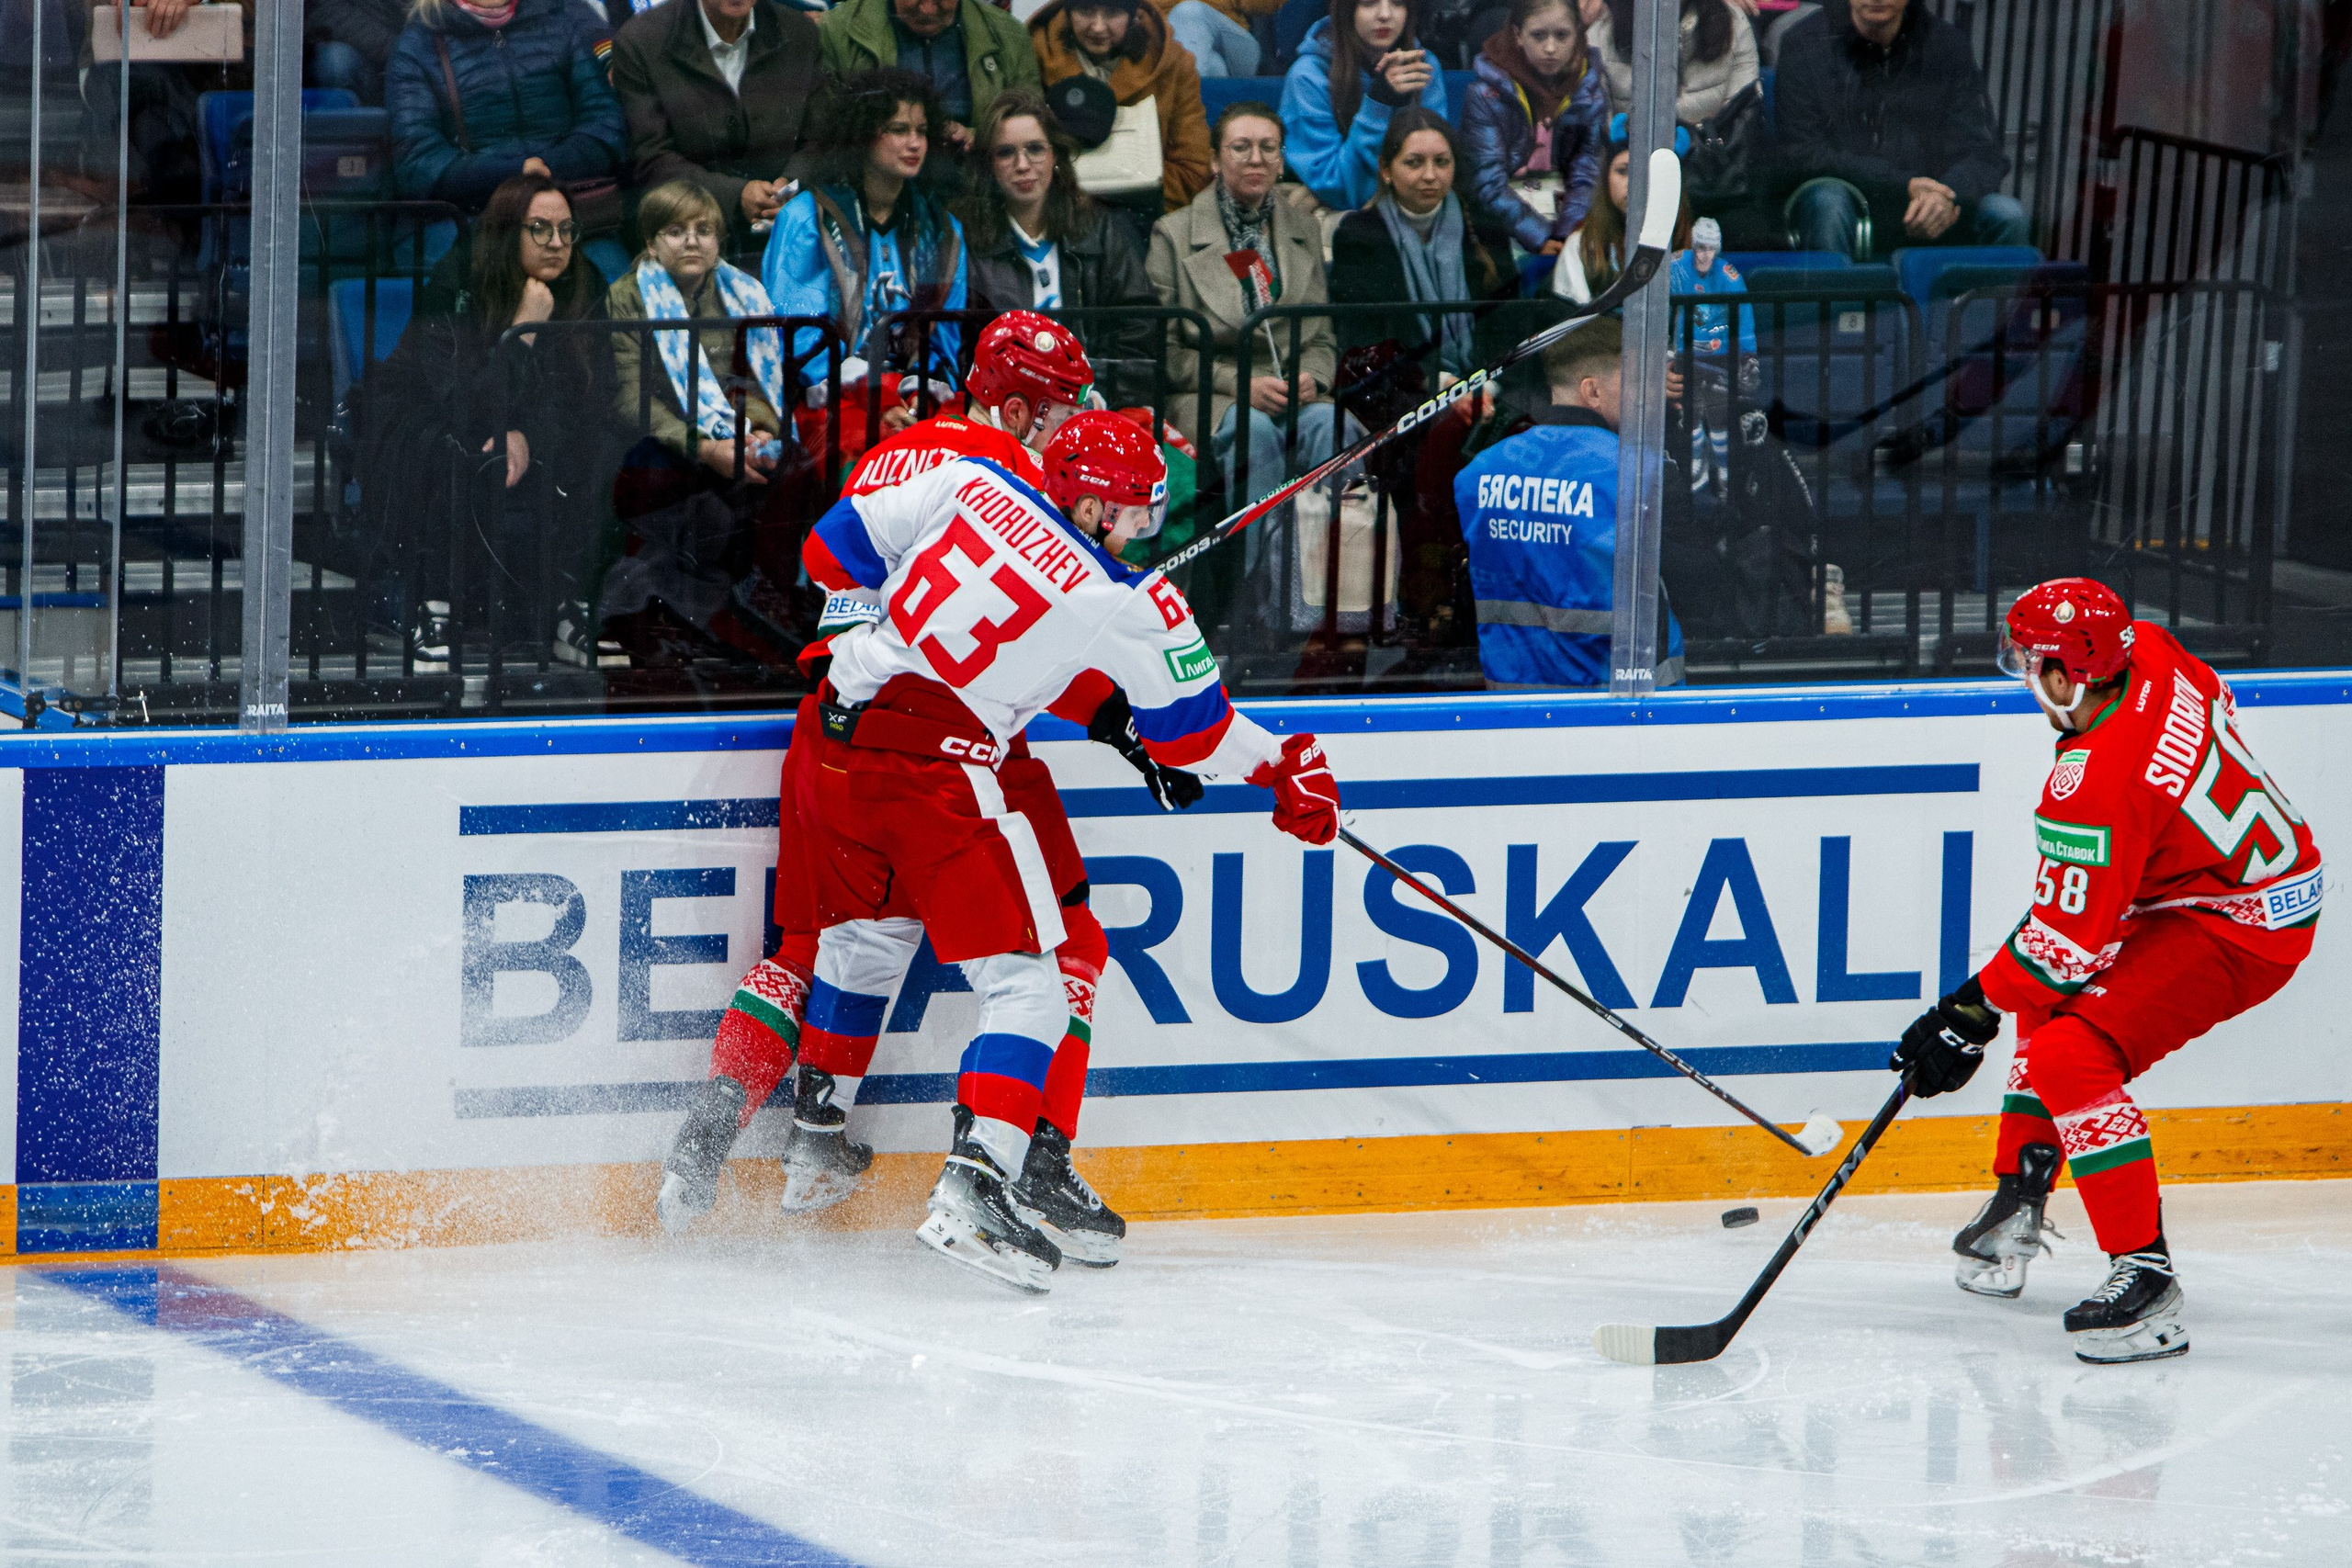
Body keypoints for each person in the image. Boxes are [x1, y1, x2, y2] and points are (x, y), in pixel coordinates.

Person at [655, 313, 1202, 1263]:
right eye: (1067, 404)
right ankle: (1027, 1159)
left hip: (832, 726)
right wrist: (1116, 712)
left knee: (824, 942)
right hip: (951, 747)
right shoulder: (1016, 482)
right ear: (1023, 406)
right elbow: (1016, 645)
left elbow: (832, 569)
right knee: (1061, 945)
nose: (1079, 420)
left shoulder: (896, 454)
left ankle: (781, 1140)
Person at [794, 411, 1344, 1292]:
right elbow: (1190, 733)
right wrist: (1280, 767)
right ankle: (977, 1184)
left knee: (862, 941)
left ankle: (810, 1146)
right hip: (936, 773)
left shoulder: (966, 483)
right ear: (1091, 505)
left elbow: (831, 551)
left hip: (833, 748)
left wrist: (915, 619)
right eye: (1134, 516)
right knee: (1032, 983)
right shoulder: (1125, 601)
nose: (1141, 533)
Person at [1891, 580, 2323, 1364]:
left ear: (2067, 677)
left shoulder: (2093, 783)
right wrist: (1991, 999)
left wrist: (1963, 1014)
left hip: (2243, 922)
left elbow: (2060, 951)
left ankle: (2147, 1279)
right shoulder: (2150, 650)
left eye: (2030, 662)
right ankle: (2021, 1197)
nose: (2024, 676)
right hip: (2208, 876)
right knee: (2039, 988)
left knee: (2066, 1047)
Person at [355, 172, 619, 671]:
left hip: (519, 427)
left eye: (567, 230)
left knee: (603, 445)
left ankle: (568, 605)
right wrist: (521, 330)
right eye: (539, 228)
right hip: (426, 420)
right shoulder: (457, 283)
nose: (557, 243)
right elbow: (456, 399)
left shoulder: (585, 286)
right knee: (449, 448)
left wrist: (525, 434)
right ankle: (432, 606)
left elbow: (587, 396)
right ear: (505, 233)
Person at [1451, 315, 1685, 687]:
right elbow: (1690, 583)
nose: (1648, 395)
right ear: (1591, 391)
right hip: (1622, 710)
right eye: (1636, 382)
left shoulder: (1479, 474)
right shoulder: (1641, 473)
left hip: (1512, 706)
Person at [1148, 105, 1342, 530]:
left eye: (1268, 148)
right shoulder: (1172, 233)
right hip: (1212, 394)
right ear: (1216, 160)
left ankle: (1323, 585)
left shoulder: (1305, 227)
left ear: (1282, 160)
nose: (1257, 158)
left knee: (1332, 423)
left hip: (1292, 391)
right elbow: (1165, 351)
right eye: (1241, 147)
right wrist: (1239, 386)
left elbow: (1323, 338)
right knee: (1252, 432)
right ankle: (1260, 583)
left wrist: (1312, 376)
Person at [761, 71, 969, 452]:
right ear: (862, 134)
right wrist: (879, 402)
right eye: (898, 129)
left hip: (915, 398)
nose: (914, 143)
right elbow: (801, 337)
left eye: (922, 131)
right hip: (831, 402)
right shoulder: (807, 218)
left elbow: (945, 338)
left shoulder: (944, 232)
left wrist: (919, 397)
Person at [1773, 0, 2028, 260]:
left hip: (1930, 200)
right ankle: (1836, 301)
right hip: (1852, 194)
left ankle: (1991, 302)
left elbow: (1984, 152)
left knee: (2008, 215)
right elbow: (1803, 154)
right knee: (1827, 202)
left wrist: (1948, 195)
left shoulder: (1947, 43)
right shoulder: (1804, 42)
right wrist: (1903, 184)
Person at [957, 92, 1163, 405]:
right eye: (1005, 153)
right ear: (989, 164)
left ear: (1055, 156)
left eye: (1035, 149)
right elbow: (959, 349)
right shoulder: (966, 239)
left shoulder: (1101, 229)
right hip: (1002, 410)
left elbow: (1139, 335)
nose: (1023, 165)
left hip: (1093, 403)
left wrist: (1093, 395)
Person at [608, 0, 825, 259]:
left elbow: (821, 136)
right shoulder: (641, 42)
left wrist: (791, 185)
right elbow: (650, 159)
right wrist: (736, 196)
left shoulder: (799, 32)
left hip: (791, 236)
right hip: (686, 244)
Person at [385, 0, 629, 227]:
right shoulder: (418, 45)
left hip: (567, 206)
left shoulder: (559, 22)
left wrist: (547, 168)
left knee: (608, 271)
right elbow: (418, 164)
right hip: (474, 217)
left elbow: (606, 125)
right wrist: (515, 172)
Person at [1329, 108, 1517, 386]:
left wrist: (1488, 385)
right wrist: (1431, 382)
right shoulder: (1359, 236)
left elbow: (1507, 325)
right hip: (1400, 390)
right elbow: (1363, 340)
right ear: (1386, 169)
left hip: (1486, 385)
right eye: (1414, 163)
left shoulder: (1487, 227)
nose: (1430, 175)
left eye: (1442, 162)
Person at [1026, 0, 1212, 216]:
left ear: (1133, 14)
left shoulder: (1173, 63)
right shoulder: (1033, 52)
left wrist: (1111, 194)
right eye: (1085, 10)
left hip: (1143, 215)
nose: (1097, 27)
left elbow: (1192, 172)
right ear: (1068, 12)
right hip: (1054, 212)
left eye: (1113, 13)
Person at [1460, 0, 1608, 260]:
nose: (1550, 48)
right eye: (1538, 36)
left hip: (1569, 214)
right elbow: (1488, 182)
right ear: (1518, 36)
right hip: (1505, 219)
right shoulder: (1485, 95)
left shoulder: (1588, 90)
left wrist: (1566, 236)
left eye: (1562, 35)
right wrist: (1539, 237)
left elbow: (1586, 173)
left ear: (1578, 33)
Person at [1281, 0, 1452, 211]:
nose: (1385, 15)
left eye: (1398, 4)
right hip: (1336, 212)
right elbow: (1339, 190)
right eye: (1369, 4)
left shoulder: (1423, 65)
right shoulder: (1307, 76)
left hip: (1412, 207)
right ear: (1347, 11)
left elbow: (1433, 173)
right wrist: (1379, 103)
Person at [817, 0, 1043, 152]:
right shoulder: (839, 30)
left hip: (976, 181)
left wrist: (982, 138)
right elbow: (824, 131)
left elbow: (1031, 123)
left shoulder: (1009, 34)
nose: (927, 10)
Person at [1553, 117, 1692, 303]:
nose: (1634, 184)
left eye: (1649, 173)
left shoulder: (1693, 246)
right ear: (1606, 178)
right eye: (1623, 171)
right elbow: (1578, 328)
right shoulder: (1580, 247)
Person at [1585, 0, 1757, 124]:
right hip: (1630, 163)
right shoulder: (1601, 31)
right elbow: (1600, 135)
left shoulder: (1734, 23)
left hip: (1712, 162)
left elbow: (1743, 120)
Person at [306, 0, 408, 104]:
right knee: (336, 61)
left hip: (407, 61)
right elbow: (326, 12)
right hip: (367, 62)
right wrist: (399, 50)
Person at [1155, 0, 1282, 78]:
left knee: (1189, 12)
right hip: (1169, 49)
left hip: (1237, 48)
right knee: (1215, 66)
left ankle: (1182, 102)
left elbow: (1267, 6)